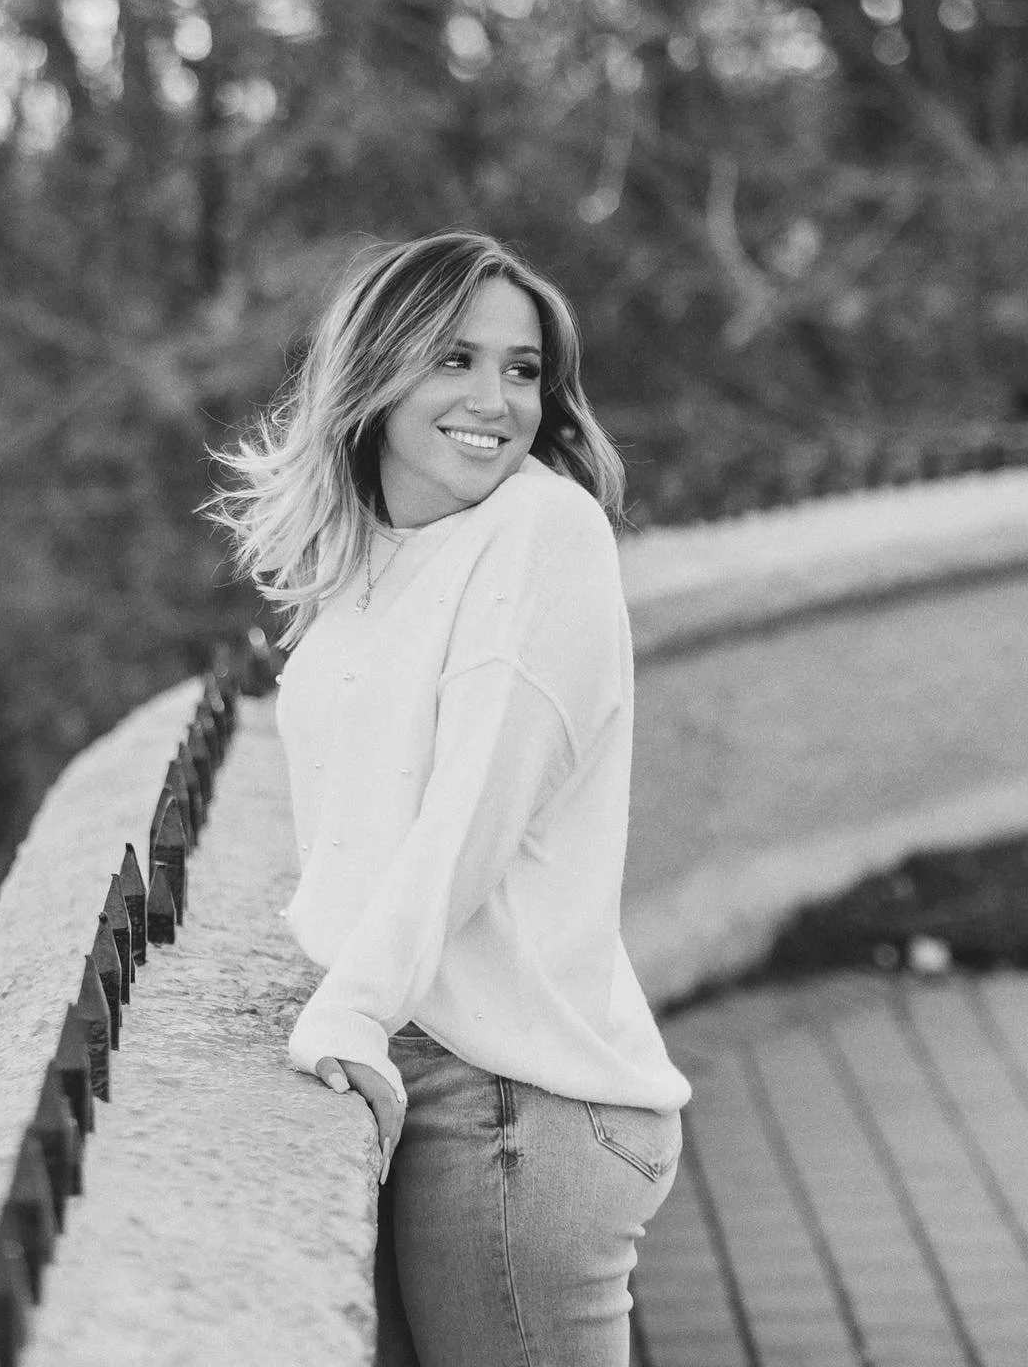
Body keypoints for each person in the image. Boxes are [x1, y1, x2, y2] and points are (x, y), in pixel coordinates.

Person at [211, 231, 692, 1367]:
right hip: (450, 1083)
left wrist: (349, 1008)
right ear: (372, 374)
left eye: (523, 370)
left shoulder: (543, 529)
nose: (497, 400)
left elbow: (471, 816)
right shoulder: (375, 562)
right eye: (455, 361)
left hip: (514, 1106)